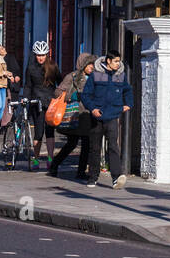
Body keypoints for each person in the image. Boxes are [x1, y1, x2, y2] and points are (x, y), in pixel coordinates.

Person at [80, 49, 133, 188]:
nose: (118, 63)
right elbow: (86, 95)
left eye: (119, 61)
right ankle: (92, 177)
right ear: (108, 61)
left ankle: (116, 178)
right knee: (95, 147)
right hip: (97, 116)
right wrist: (93, 109)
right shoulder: (96, 74)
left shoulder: (120, 75)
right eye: (115, 61)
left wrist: (128, 104)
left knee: (113, 146)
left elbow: (127, 90)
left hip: (112, 115)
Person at [47, 54, 97, 180]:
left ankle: (81, 171)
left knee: (86, 144)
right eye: (89, 64)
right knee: (72, 143)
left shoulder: (95, 78)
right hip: (74, 115)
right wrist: (72, 95)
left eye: (92, 64)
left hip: (87, 114)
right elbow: (58, 92)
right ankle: (55, 164)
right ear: (82, 65)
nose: (91, 67)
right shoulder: (72, 76)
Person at [21, 41, 62, 171]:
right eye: (38, 55)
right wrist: (25, 98)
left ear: (47, 55)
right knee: (39, 132)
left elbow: (60, 83)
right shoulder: (31, 68)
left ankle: (50, 159)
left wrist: (60, 97)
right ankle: (36, 158)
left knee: (50, 132)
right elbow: (28, 85)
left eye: (43, 55)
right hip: (36, 102)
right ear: (35, 55)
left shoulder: (53, 66)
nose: (40, 58)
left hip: (50, 102)